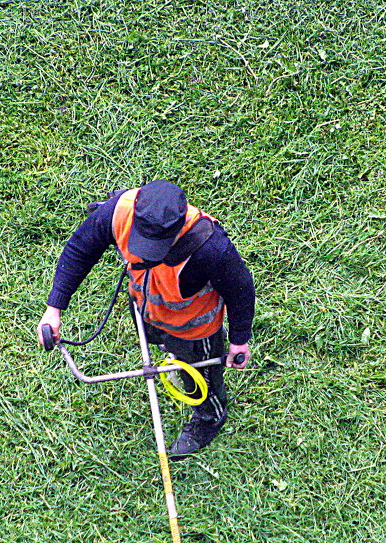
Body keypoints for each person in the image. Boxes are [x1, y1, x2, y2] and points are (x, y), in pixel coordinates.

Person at [39, 180, 255, 459]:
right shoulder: (118, 211)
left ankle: (209, 417)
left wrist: (239, 341)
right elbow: (80, 249)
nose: (144, 252)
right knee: (158, 340)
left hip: (194, 330)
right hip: (147, 308)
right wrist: (54, 308)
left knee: (199, 375)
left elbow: (241, 291)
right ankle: (165, 345)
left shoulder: (210, 248)